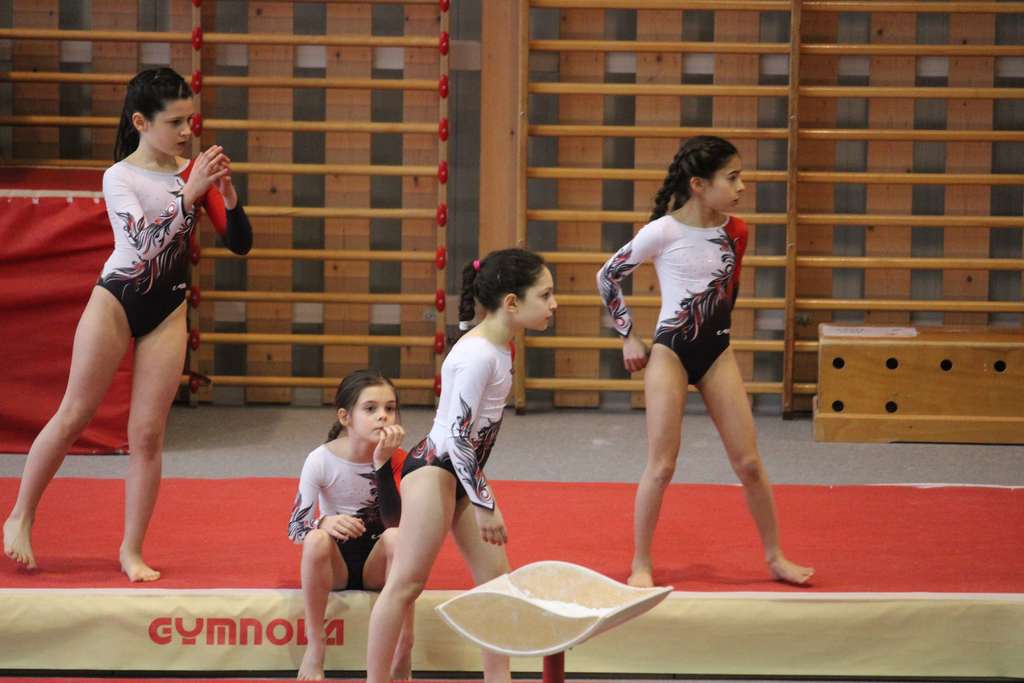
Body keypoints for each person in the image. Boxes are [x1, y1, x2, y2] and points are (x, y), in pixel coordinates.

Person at [3, 67, 253, 581]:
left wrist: (226, 195)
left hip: (167, 310)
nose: (186, 131)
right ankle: (21, 515)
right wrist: (189, 195)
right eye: (174, 122)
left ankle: (131, 549)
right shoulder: (119, 177)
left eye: (190, 120)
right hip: (116, 301)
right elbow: (141, 246)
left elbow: (240, 243)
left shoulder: (192, 172)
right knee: (74, 414)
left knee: (147, 436)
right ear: (141, 122)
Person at [597, 135, 814, 587]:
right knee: (662, 465)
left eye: (741, 176)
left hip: (717, 353)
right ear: (698, 184)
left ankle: (775, 557)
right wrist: (628, 336)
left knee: (749, 464)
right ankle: (641, 563)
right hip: (670, 354)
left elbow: (727, 295)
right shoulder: (663, 232)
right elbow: (608, 276)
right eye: (732, 178)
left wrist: (717, 337)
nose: (742, 186)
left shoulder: (738, 231)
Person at [364, 249, 557, 683]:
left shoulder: (498, 347)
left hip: (459, 475)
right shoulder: (478, 355)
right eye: (545, 295)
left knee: (497, 583)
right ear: (512, 302)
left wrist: (477, 493)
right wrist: (485, 502)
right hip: (434, 472)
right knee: (405, 585)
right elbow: (455, 437)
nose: (553, 304)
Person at [288, 369, 413, 681]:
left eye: (390, 408)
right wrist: (324, 521)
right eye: (370, 409)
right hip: (337, 566)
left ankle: (404, 647)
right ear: (345, 417)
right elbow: (295, 528)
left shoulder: (400, 458)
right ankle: (316, 644)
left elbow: (397, 522)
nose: (383, 416)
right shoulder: (321, 460)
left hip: (379, 565)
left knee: (397, 537)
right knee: (315, 539)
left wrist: (382, 464)